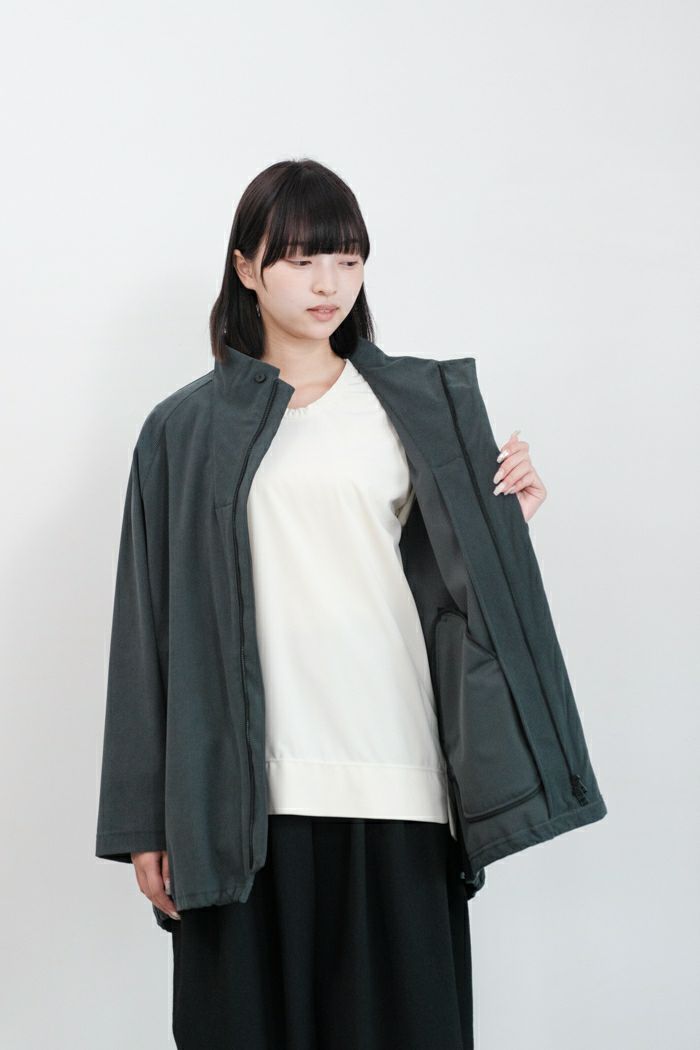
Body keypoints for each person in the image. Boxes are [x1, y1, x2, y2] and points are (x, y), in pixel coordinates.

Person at [98, 158, 551, 1049]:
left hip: (398, 780)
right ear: (245, 268)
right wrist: (143, 818)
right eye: (301, 259)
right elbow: (143, 629)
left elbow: (453, 598)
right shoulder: (181, 430)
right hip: (238, 801)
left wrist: (508, 526)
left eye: (346, 259)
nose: (327, 283)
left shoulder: (414, 408)